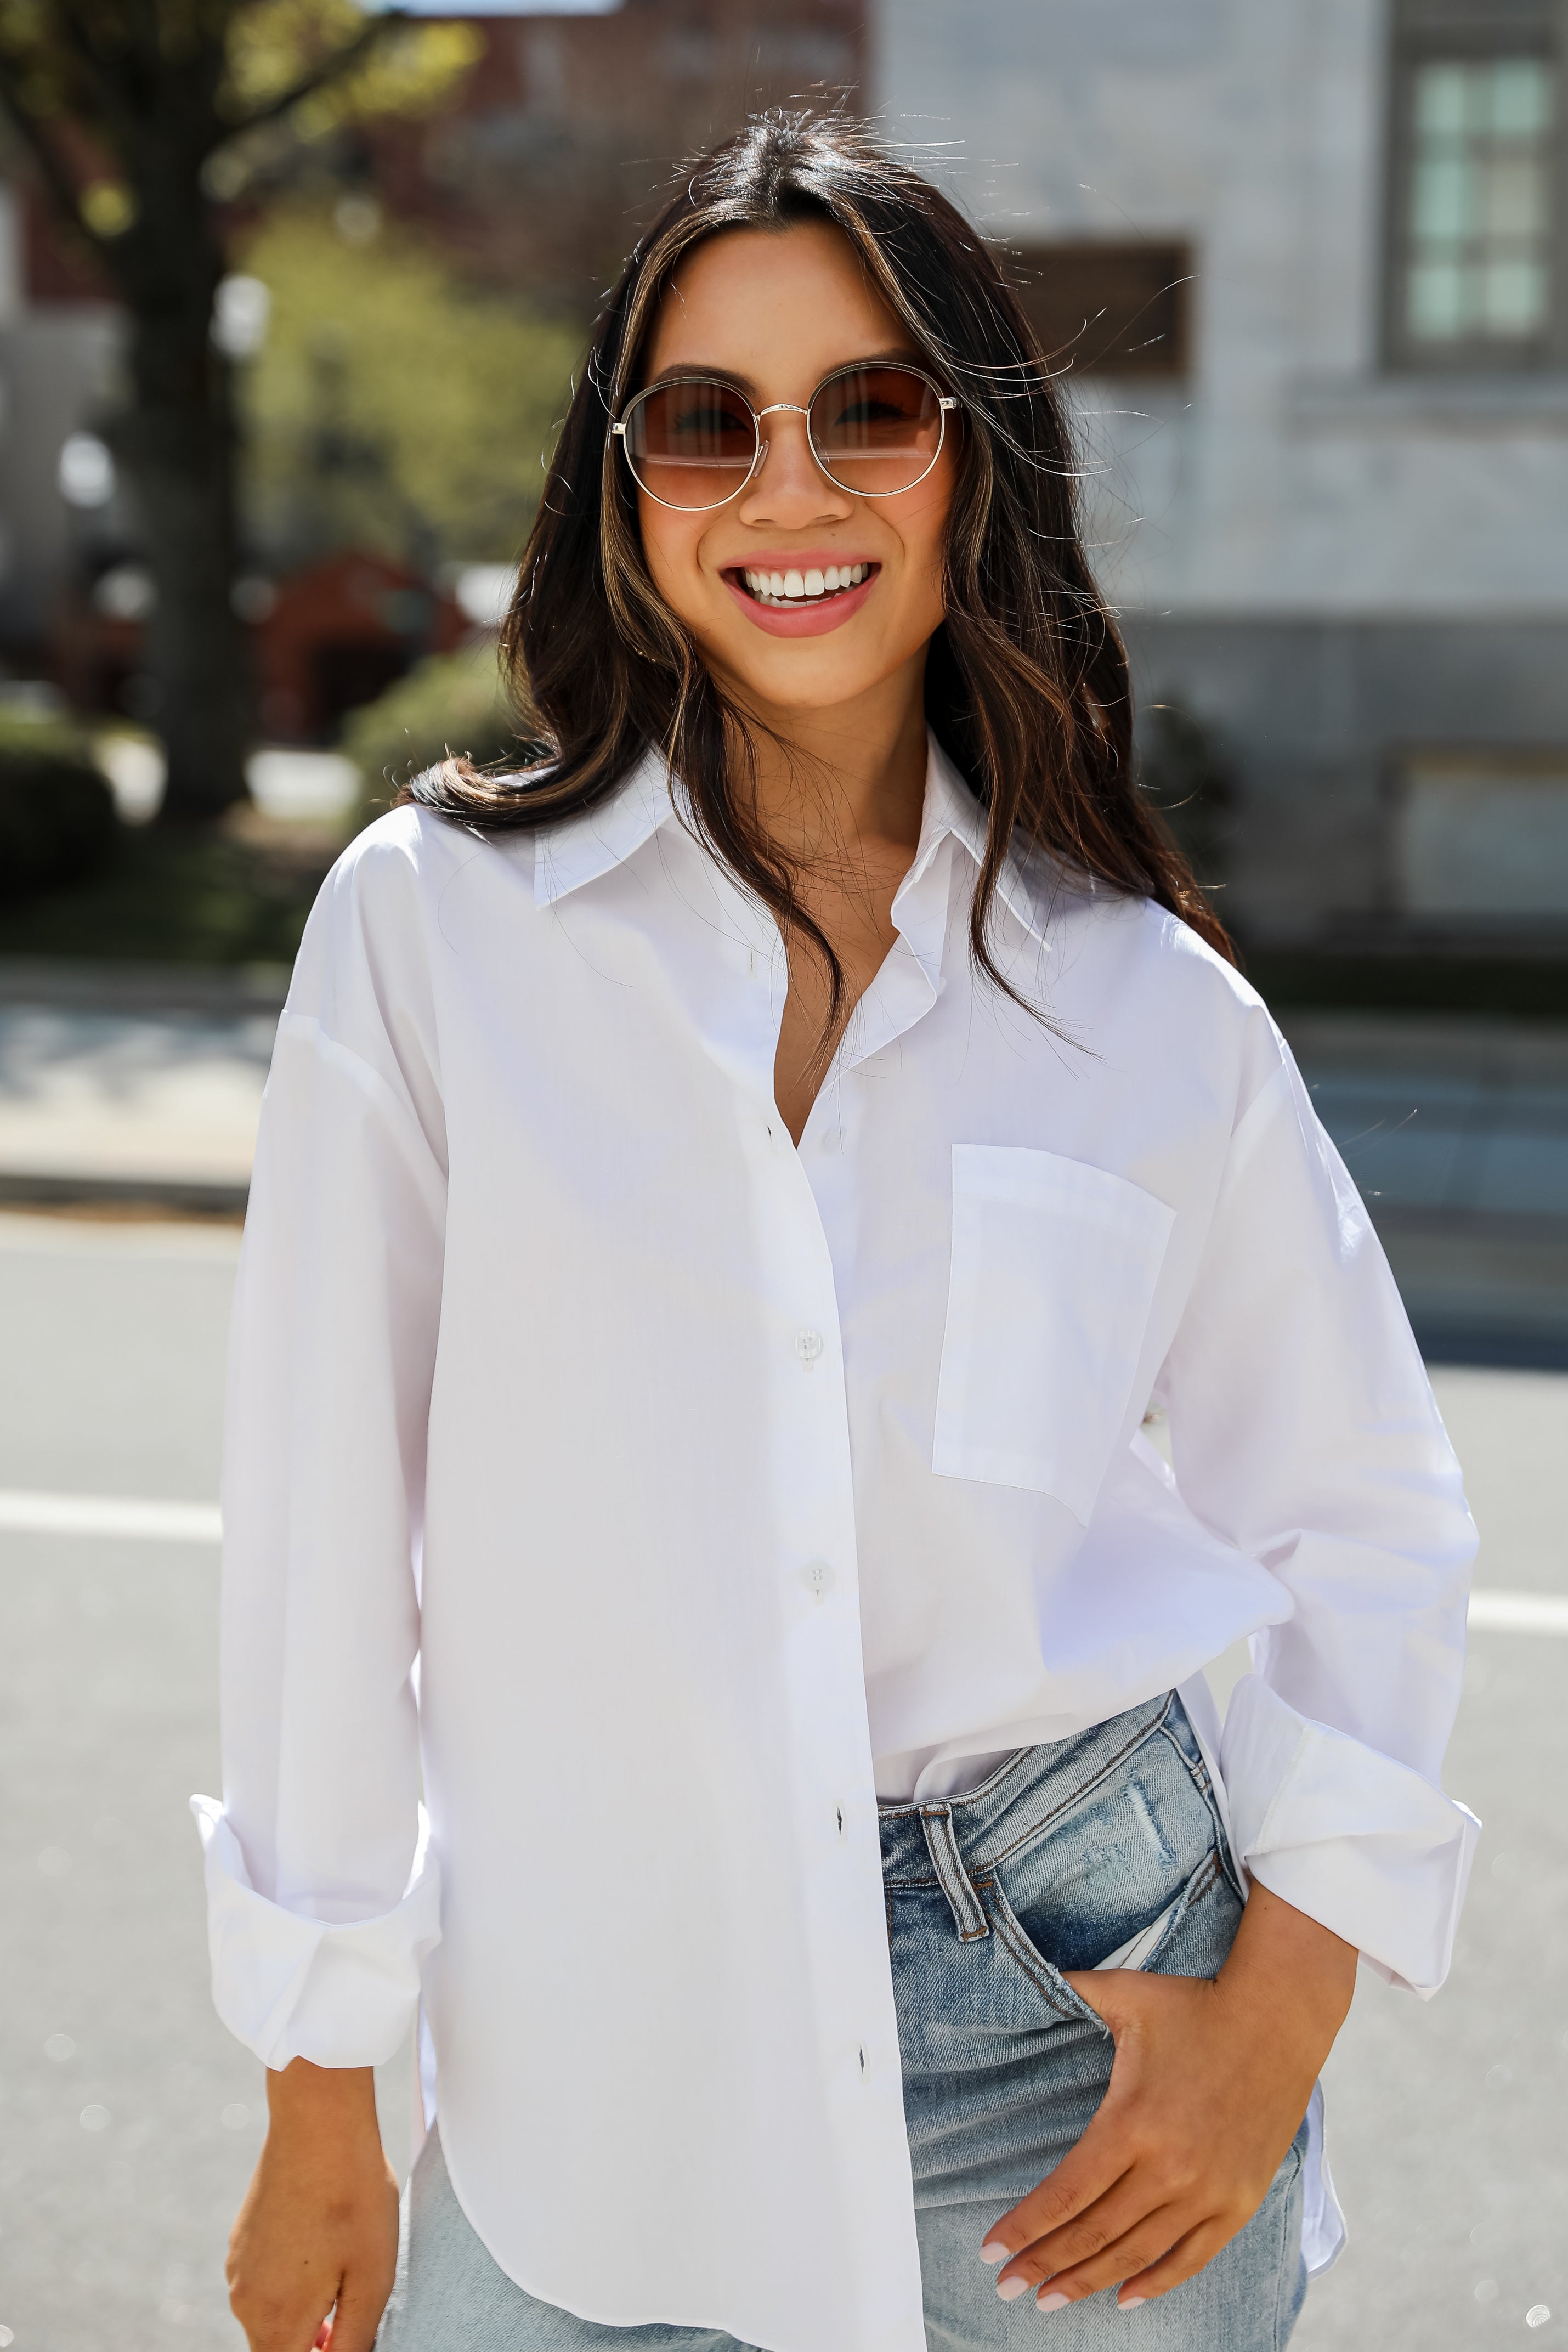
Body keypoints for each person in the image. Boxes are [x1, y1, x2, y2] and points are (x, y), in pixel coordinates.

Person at [195, 112, 1479, 2352]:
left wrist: (1279, 2017)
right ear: (625, 490)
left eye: (868, 411)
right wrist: (320, 2081)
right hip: (593, 2034)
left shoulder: (1141, 1005)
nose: (786, 490)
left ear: (969, 464)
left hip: (1080, 2019)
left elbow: (1360, 1508)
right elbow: (322, 1540)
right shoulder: (435, 937)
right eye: (707, 425)